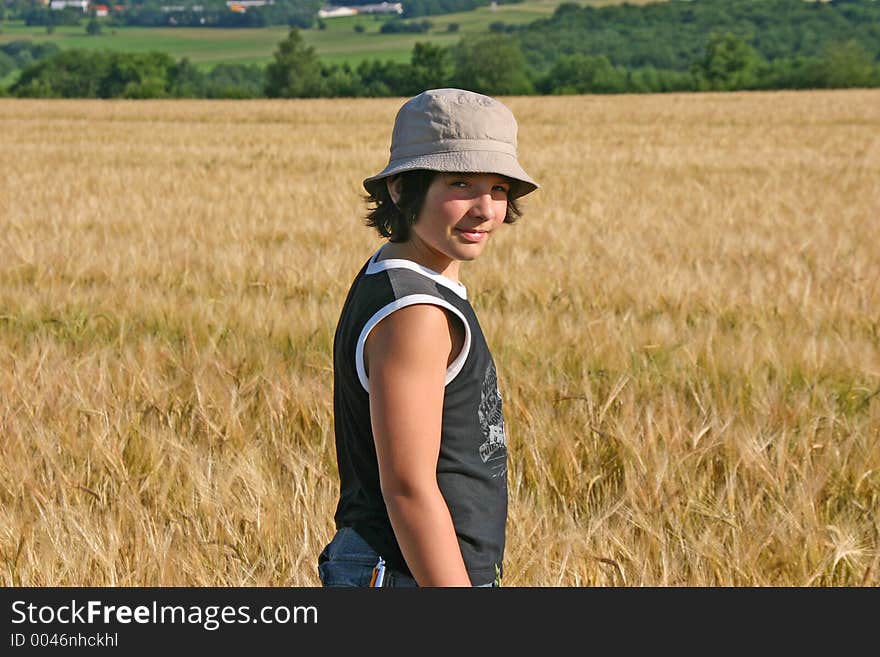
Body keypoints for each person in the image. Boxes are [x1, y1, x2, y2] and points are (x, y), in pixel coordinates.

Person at [317, 88, 539, 587]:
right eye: (461, 183)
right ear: (401, 188)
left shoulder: (398, 278)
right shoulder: (415, 312)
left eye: (500, 188)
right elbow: (408, 487)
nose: (486, 209)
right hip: (408, 574)